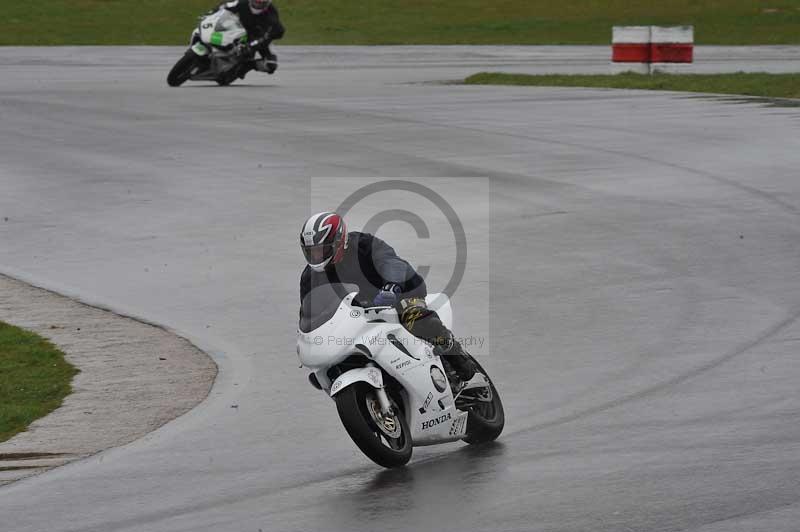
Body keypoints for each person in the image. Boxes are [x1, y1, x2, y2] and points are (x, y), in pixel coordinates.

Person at [299, 211, 477, 383]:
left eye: (321, 250)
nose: (317, 256)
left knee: (413, 317)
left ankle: (455, 353)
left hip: (399, 293)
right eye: (312, 252)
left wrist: (392, 286)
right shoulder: (310, 277)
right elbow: (311, 312)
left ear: (339, 241)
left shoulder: (363, 244)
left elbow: (389, 261)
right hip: (359, 314)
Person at [213, 0, 285, 75]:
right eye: (256, 2)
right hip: (239, 30)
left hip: (260, 38)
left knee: (271, 65)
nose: (257, 6)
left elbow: (268, 36)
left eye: (261, 4)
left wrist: (251, 45)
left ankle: (248, 65)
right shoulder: (242, 2)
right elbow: (223, 6)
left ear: (267, 4)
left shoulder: (272, 15)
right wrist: (210, 14)